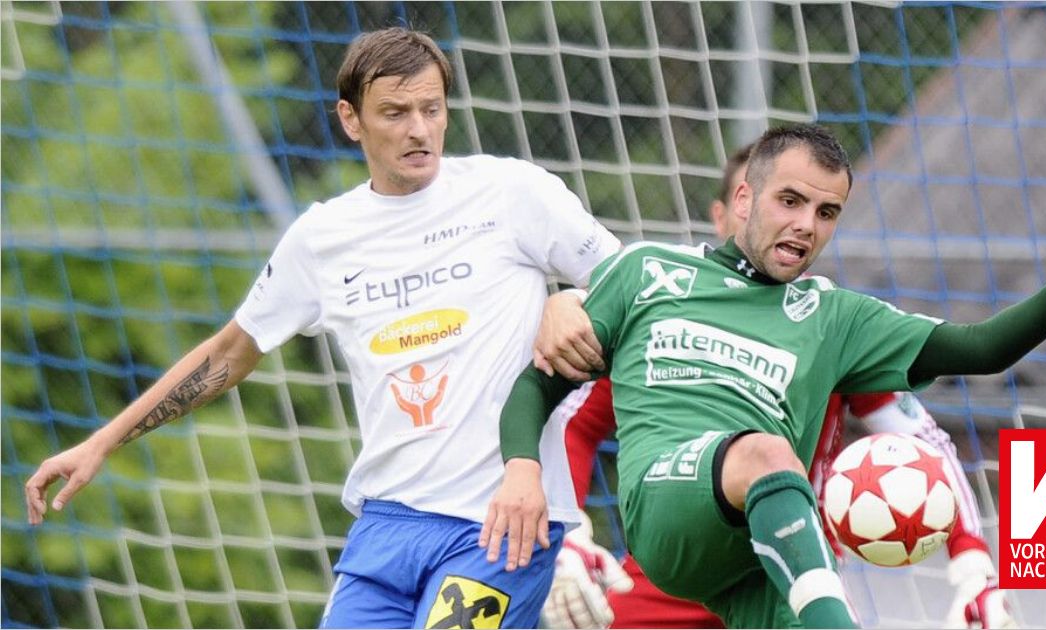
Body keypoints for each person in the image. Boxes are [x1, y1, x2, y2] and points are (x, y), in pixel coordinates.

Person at [23, 27, 621, 629]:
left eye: (431, 109)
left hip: (499, 524)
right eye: (394, 112)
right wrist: (102, 441)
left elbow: (638, 284)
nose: (419, 129)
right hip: (386, 528)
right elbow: (230, 352)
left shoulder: (512, 192)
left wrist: (569, 300)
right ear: (350, 119)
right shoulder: (322, 238)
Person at [482, 123, 1046, 628]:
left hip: (766, 555)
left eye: (825, 213)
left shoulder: (833, 316)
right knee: (766, 453)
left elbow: (979, 350)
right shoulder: (649, 273)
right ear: (742, 199)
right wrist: (530, 483)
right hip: (668, 515)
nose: (806, 225)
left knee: (779, 491)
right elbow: (544, 389)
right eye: (791, 201)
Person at [540, 144, 1015, 629]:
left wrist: (973, 566)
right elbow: (571, 425)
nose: (796, 223)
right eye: (783, 202)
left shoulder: (828, 329)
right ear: (731, 210)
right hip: (678, 568)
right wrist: (569, 533)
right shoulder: (662, 325)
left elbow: (926, 444)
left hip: (793, 574)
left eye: (816, 210)